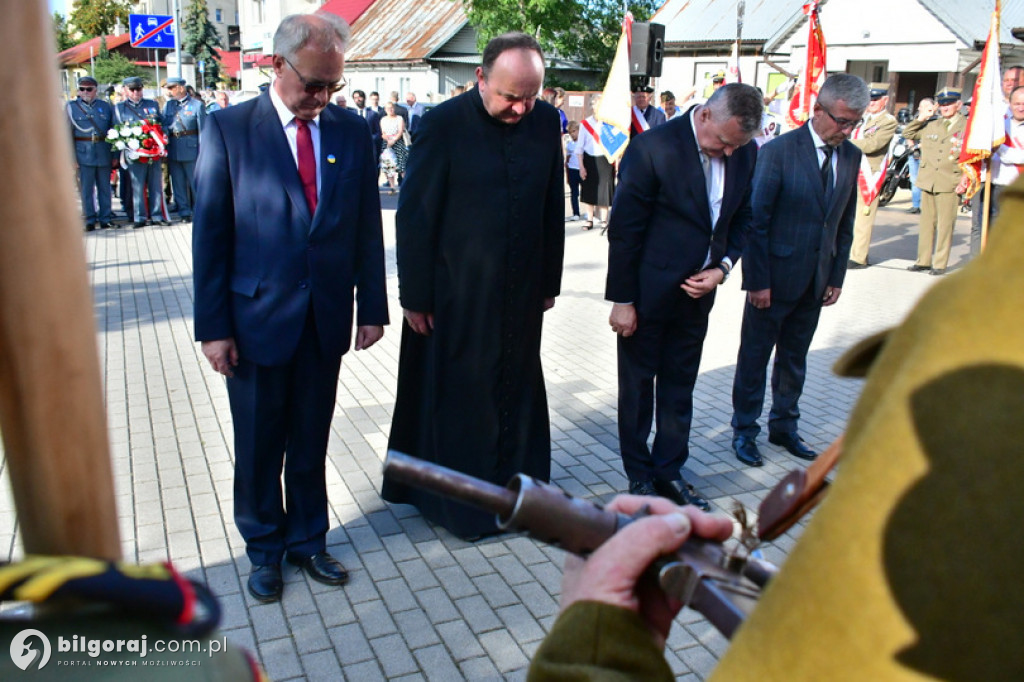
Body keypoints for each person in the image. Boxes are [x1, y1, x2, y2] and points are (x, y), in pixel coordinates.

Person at [531, 177, 1024, 682]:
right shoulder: (977, 307)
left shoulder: (985, 328)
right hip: (666, 296)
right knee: (653, 391)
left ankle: (674, 468)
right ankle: (651, 467)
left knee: (691, 392)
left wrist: (591, 643)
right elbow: (637, 227)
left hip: (740, 295)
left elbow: (759, 221)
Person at [192, 12, 389, 604]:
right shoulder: (228, 129)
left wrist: (372, 307)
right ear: (276, 65)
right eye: (313, 85)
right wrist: (213, 329)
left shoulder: (351, 131)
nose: (323, 98)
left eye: (333, 85)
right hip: (254, 323)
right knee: (258, 444)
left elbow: (363, 229)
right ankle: (263, 548)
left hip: (324, 318)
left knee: (310, 439)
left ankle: (308, 541)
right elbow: (211, 237)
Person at [381, 32, 565, 540]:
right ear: (480, 78)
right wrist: (414, 296)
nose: (521, 109)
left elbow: (552, 203)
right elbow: (414, 218)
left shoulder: (547, 121)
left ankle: (520, 491)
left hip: (522, 290)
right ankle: (460, 505)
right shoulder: (440, 124)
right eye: (510, 96)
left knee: (516, 385)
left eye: (530, 97)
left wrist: (549, 280)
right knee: (461, 396)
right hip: (455, 295)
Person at [606, 83, 763, 511]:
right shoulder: (653, 148)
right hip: (645, 295)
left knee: (679, 388)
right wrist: (622, 299)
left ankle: (669, 471)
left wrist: (723, 268)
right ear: (706, 115)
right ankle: (639, 476)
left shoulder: (745, 151)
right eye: (724, 143)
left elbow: (743, 218)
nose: (729, 153)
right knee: (638, 390)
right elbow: (624, 230)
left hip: (698, 296)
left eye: (738, 146)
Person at [730, 74, 868, 466]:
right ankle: (744, 431)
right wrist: (757, 280)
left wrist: (836, 276)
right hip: (771, 282)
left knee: (794, 359)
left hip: (815, 282)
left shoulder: (852, 155)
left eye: (853, 122)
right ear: (818, 110)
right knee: (755, 359)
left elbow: (843, 221)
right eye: (841, 121)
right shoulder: (779, 151)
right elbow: (757, 220)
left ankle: (784, 427)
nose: (846, 130)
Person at [902, 87, 965, 276]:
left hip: (950, 180)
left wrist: (965, 179)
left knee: (945, 225)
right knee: (926, 223)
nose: (945, 108)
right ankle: (923, 261)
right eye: (942, 104)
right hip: (928, 180)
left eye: (949, 104)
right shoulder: (931, 124)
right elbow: (908, 133)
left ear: (958, 105)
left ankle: (940, 263)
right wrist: (922, 117)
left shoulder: (967, 125)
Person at [847, 83, 898, 268]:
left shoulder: (888, 121)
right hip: (853, 170)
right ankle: (848, 252)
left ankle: (858, 257)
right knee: (849, 216)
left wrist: (846, 142)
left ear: (885, 100)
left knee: (863, 217)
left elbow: (873, 144)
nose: (872, 103)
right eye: (870, 100)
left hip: (869, 174)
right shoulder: (863, 119)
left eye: (876, 100)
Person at [115, 76, 169, 228]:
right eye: (132, 89)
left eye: (138, 89)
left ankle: (157, 215)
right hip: (135, 153)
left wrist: (162, 138)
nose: (136, 92)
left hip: (153, 152)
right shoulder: (120, 108)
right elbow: (117, 130)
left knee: (155, 185)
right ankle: (140, 217)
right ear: (125, 90)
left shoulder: (152, 105)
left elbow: (162, 123)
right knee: (137, 187)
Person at [67, 75, 115, 231]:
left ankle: (105, 218)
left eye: (89, 89)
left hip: (103, 151)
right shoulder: (71, 107)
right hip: (83, 152)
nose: (85, 92)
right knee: (87, 189)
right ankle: (89, 218)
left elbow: (114, 132)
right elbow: (66, 135)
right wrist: (71, 158)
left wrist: (115, 155)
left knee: (105, 188)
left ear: (96, 90)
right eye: (82, 89)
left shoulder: (106, 106)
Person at [161, 76, 206, 224]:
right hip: (174, 147)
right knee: (178, 184)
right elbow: (165, 125)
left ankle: (200, 211)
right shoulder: (169, 106)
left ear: (181, 87)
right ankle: (184, 212)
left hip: (191, 149)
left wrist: (203, 152)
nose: (169, 91)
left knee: (195, 183)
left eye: (172, 87)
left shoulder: (197, 105)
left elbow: (203, 131)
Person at [578, 93, 614, 230]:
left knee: (604, 189)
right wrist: (581, 166)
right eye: (594, 104)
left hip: (605, 159)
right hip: (589, 159)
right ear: (591, 106)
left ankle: (604, 220)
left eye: (600, 104)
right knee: (589, 190)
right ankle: (589, 219)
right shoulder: (585, 124)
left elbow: (615, 144)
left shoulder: (610, 123)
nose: (596, 107)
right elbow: (579, 147)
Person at [905, 97, 936, 215]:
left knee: (926, 181)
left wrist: (922, 145)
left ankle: (926, 206)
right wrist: (913, 147)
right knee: (914, 180)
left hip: (928, 155)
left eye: (923, 106)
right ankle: (915, 205)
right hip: (914, 153)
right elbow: (908, 134)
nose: (920, 108)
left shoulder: (935, 121)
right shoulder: (917, 119)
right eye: (920, 106)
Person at [379, 100, 406, 194]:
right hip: (386, 143)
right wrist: (387, 140)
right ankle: (392, 187)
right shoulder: (383, 119)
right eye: (388, 108)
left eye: (392, 108)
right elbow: (383, 133)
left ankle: (407, 187)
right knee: (388, 166)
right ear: (385, 110)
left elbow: (400, 131)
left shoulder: (399, 118)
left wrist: (394, 140)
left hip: (398, 143)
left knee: (401, 166)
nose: (390, 110)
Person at [564, 120, 583, 221]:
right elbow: (566, 161)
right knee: (574, 193)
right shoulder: (570, 145)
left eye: (574, 131)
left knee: (586, 192)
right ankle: (576, 213)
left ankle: (590, 213)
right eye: (570, 132)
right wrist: (567, 175)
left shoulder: (583, 143)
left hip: (581, 170)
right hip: (572, 170)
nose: (572, 134)